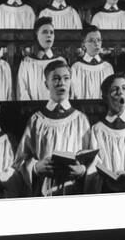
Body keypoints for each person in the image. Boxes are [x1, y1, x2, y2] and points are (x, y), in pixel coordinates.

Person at [14, 60, 91, 196]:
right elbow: (20, 160)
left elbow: (93, 158)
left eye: (66, 78)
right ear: (46, 84)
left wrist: (83, 169)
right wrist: (35, 167)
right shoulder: (37, 120)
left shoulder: (81, 119)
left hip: (73, 189)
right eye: (56, 78)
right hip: (44, 188)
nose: (61, 83)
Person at [17, 17, 67, 101]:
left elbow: (66, 89)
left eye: (51, 32)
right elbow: (22, 90)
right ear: (36, 35)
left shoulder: (60, 61)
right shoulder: (27, 62)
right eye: (45, 32)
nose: (49, 35)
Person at [70, 25, 114, 99]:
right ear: (83, 45)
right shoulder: (76, 67)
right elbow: (73, 95)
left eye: (99, 40)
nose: (96, 44)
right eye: (91, 41)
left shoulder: (107, 67)